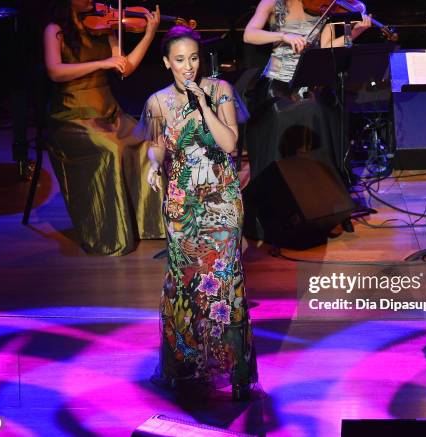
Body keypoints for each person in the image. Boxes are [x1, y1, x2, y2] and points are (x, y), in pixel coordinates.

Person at [136, 26, 258, 400]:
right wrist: (152, 164)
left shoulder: (220, 90)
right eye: (179, 60)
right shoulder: (158, 102)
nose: (188, 67)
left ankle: (233, 371)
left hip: (220, 199)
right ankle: (183, 365)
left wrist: (203, 103)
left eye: (193, 58)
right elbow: (157, 146)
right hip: (181, 203)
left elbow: (230, 142)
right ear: (166, 63)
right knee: (184, 281)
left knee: (224, 281)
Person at [43, 0, 165, 256]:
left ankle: (148, 225)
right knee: (110, 149)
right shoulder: (55, 30)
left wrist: (149, 35)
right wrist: (101, 64)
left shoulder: (103, 27)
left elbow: (126, 67)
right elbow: (55, 71)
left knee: (146, 142)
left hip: (107, 111)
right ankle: (112, 233)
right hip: (71, 114)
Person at [242, 0, 371, 239]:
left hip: (306, 82)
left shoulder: (327, 8)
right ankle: (278, 206)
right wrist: (282, 35)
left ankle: (322, 206)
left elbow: (327, 48)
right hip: (275, 83)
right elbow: (249, 35)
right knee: (282, 120)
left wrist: (355, 32)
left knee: (321, 116)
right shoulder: (272, 2)